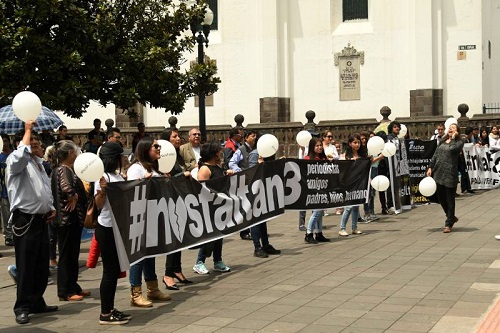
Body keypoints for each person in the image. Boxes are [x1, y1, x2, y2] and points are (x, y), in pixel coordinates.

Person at [6, 122, 58, 324]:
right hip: (24, 219)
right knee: (26, 265)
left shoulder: (37, 163)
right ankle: (22, 306)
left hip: (40, 218)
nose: (37, 144)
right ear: (22, 143)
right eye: (33, 141)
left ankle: (37, 300)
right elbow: (20, 156)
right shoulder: (16, 161)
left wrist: (50, 207)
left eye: (37, 140)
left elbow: (44, 188)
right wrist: (27, 130)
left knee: (40, 264)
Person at [127, 137, 171, 307]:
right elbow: (130, 191)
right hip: (140, 218)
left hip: (153, 216)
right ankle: (135, 292)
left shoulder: (154, 169)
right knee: (139, 255)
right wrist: (143, 182)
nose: (159, 149)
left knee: (150, 252)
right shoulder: (136, 169)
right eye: (155, 146)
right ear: (146, 149)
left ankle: (152, 288)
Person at [94, 141, 132, 325]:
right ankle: (105, 313)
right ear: (114, 158)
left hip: (117, 228)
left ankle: (109, 307)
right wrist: (102, 192)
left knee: (115, 270)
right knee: (109, 271)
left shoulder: (116, 176)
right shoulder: (101, 178)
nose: (124, 157)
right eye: (121, 155)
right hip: (107, 228)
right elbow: (98, 206)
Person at [48, 140, 89, 302]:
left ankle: (73, 286)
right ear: (69, 153)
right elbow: (67, 189)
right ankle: (65, 290)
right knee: (67, 255)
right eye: (75, 150)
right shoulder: (64, 170)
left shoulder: (65, 169)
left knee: (72, 254)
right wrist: (75, 196)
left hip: (70, 219)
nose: (77, 152)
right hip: (67, 219)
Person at [159, 129, 193, 290]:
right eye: (175, 136)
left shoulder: (177, 155)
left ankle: (177, 269)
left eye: (179, 136)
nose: (179, 138)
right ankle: (168, 274)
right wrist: (184, 175)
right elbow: (167, 180)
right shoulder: (163, 158)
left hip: (179, 200)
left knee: (179, 237)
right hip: (168, 203)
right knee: (173, 238)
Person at [193, 141, 234, 274]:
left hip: (219, 207)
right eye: (218, 151)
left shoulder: (216, 166)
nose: (220, 153)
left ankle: (218, 261)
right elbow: (202, 190)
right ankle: (200, 262)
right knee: (209, 236)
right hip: (209, 207)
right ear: (212, 154)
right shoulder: (205, 169)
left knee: (219, 235)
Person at [339, 133, 382, 237]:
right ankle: (342, 228)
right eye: (354, 142)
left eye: (358, 142)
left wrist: (378, 158)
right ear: (350, 143)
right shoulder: (345, 156)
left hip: (359, 184)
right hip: (349, 184)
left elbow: (367, 165)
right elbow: (341, 168)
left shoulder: (362, 156)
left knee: (356, 207)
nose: (357, 144)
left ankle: (354, 227)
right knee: (348, 207)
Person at [426, 123, 464, 233]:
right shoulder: (442, 140)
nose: (451, 129)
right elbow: (436, 154)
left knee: (450, 199)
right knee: (441, 197)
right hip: (438, 172)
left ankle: (448, 224)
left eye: (454, 128)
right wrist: (430, 167)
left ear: (457, 131)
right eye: (450, 128)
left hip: (450, 174)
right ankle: (450, 216)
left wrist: (453, 138)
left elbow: (452, 150)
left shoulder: (459, 142)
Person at [228, 130, 257, 240]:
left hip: (253, 180)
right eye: (252, 136)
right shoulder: (241, 150)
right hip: (244, 180)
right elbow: (231, 163)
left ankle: (255, 230)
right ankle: (244, 231)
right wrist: (240, 171)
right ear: (246, 138)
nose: (254, 138)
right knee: (244, 206)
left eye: (255, 136)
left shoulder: (255, 149)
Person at [303, 137, 331, 244]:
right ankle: (309, 233)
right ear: (312, 147)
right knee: (317, 212)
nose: (319, 147)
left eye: (320, 145)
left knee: (320, 212)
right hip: (312, 189)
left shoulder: (323, 159)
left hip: (323, 188)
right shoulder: (307, 159)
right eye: (317, 146)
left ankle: (319, 233)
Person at [0, 134, 13, 246]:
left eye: (6, 141)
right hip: (4, 190)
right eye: (2, 141)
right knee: (6, 214)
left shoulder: (14, 155)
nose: (4, 143)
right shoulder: (0, 157)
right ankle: (8, 236)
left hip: (16, 190)